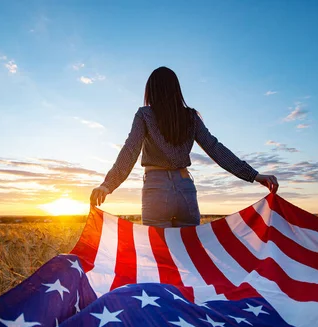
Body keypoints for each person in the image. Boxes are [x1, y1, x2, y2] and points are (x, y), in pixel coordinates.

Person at [90, 66, 278, 228]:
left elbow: (130, 151)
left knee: (158, 254)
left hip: (156, 188)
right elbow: (215, 148)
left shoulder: (145, 114)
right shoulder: (191, 116)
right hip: (185, 188)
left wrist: (108, 185)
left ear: (151, 90)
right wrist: (254, 175)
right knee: (190, 254)